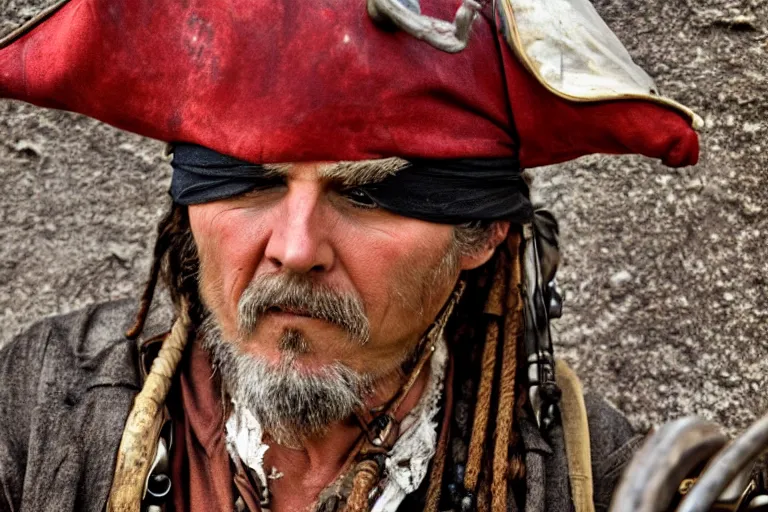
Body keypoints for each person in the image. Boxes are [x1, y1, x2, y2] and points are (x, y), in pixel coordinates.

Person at [0, 0, 700, 511]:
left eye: (370, 198)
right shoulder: (38, 405)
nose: (296, 249)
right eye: (251, 182)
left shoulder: (589, 477)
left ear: (483, 233)